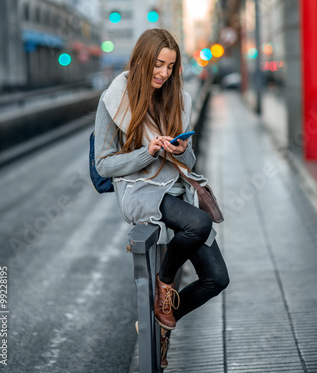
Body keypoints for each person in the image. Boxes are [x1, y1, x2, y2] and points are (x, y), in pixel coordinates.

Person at [94, 28, 229, 368]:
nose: (163, 73)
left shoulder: (177, 98)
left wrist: (182, 151)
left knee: (217, 278)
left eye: (170, 66)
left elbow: (190, 161)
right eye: (157, 64)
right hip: (138, 189)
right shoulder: (115, 99)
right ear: (141, 60)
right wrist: (147, 152)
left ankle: (159, 323)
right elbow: (103, 164)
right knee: (198, 222)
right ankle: (164, 283)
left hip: (175, 187)